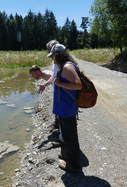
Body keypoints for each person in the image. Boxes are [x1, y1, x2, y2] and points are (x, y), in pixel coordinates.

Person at [47, 43, 82, 172]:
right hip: (63, 109)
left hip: (67, 108)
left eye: (52, 56)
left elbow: (78, 85)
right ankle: (69, 155)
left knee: (71, 137)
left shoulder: (67, 67)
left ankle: (74, 165)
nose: (52, 58)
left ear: (58, 54)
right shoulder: (62, 66)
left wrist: (59, 83)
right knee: (67, 135)